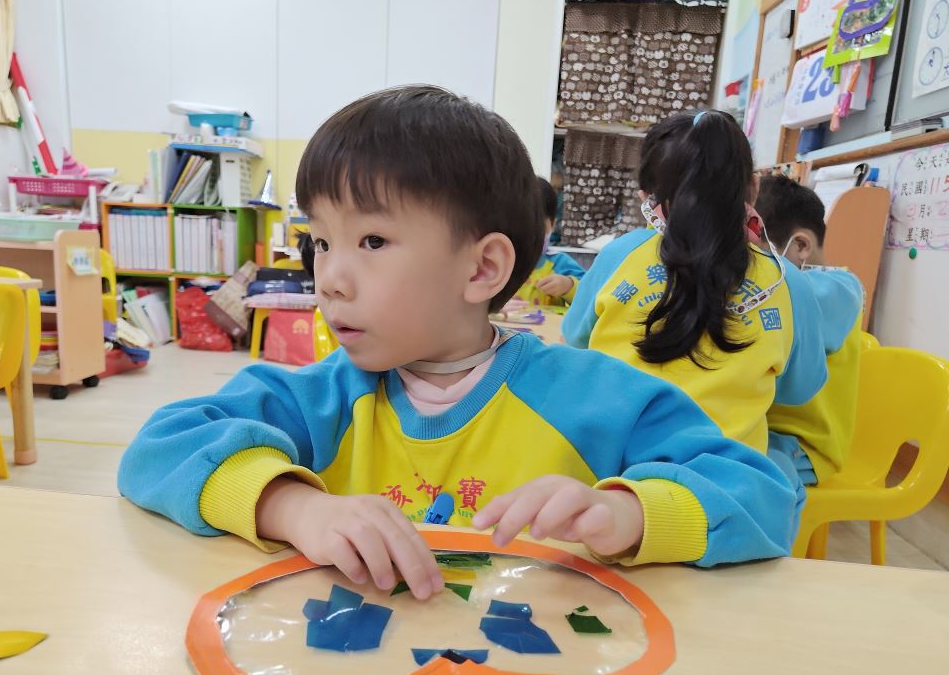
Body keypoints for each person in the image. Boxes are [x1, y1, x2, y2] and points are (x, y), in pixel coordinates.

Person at [118, 88, 799, 601]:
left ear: (482, 269)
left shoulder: (592, 397)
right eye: (320, 241)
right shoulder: (323, 395)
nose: (329, 278)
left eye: (372, 241)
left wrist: (629, 512)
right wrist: (294, 508)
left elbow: (764, 496)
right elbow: (159, 449)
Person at [562, 110, 829, 456]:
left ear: (646, 199)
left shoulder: (620, 255)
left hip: (609, 466)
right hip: (725, 476)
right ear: (753, 188)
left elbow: (576, 339)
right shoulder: (786, 282)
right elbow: (799, 389)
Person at [755, 174, 864, 485]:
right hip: (761, 427)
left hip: (804, 445)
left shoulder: (840, 288)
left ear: (801, 245)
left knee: (743, 473)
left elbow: (785, 299)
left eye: (756, 257)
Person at [514, 177, 585, 307]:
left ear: (552, 225)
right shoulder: (498, 264)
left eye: (539, 227)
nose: (530, 235)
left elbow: (592, 293)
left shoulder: (559, 263)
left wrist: (568, 285)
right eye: (521, 227)